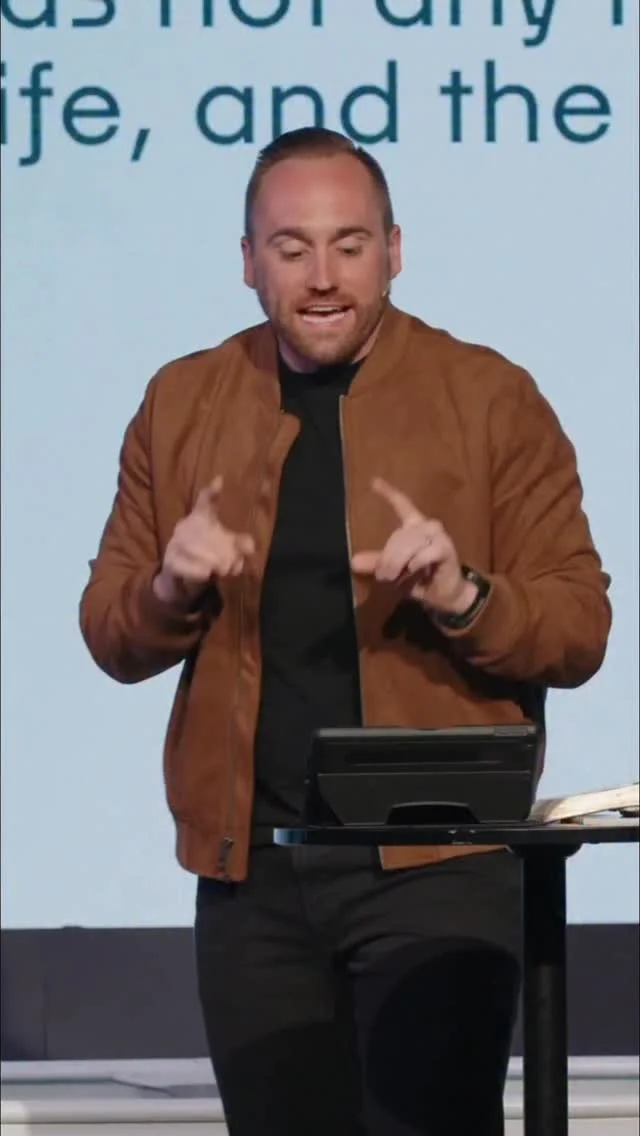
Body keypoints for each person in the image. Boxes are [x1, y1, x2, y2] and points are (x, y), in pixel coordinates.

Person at [79, 127, 611, 1136]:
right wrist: (169, 584)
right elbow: (109, 632)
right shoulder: (181, 401)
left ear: (394, 251)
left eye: (350, 244)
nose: (323, 276)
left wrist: (460, 594)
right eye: (292, 247)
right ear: (248, 260)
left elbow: (579, 627)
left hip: (440, 861)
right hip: (254, 874)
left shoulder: (489, 397)